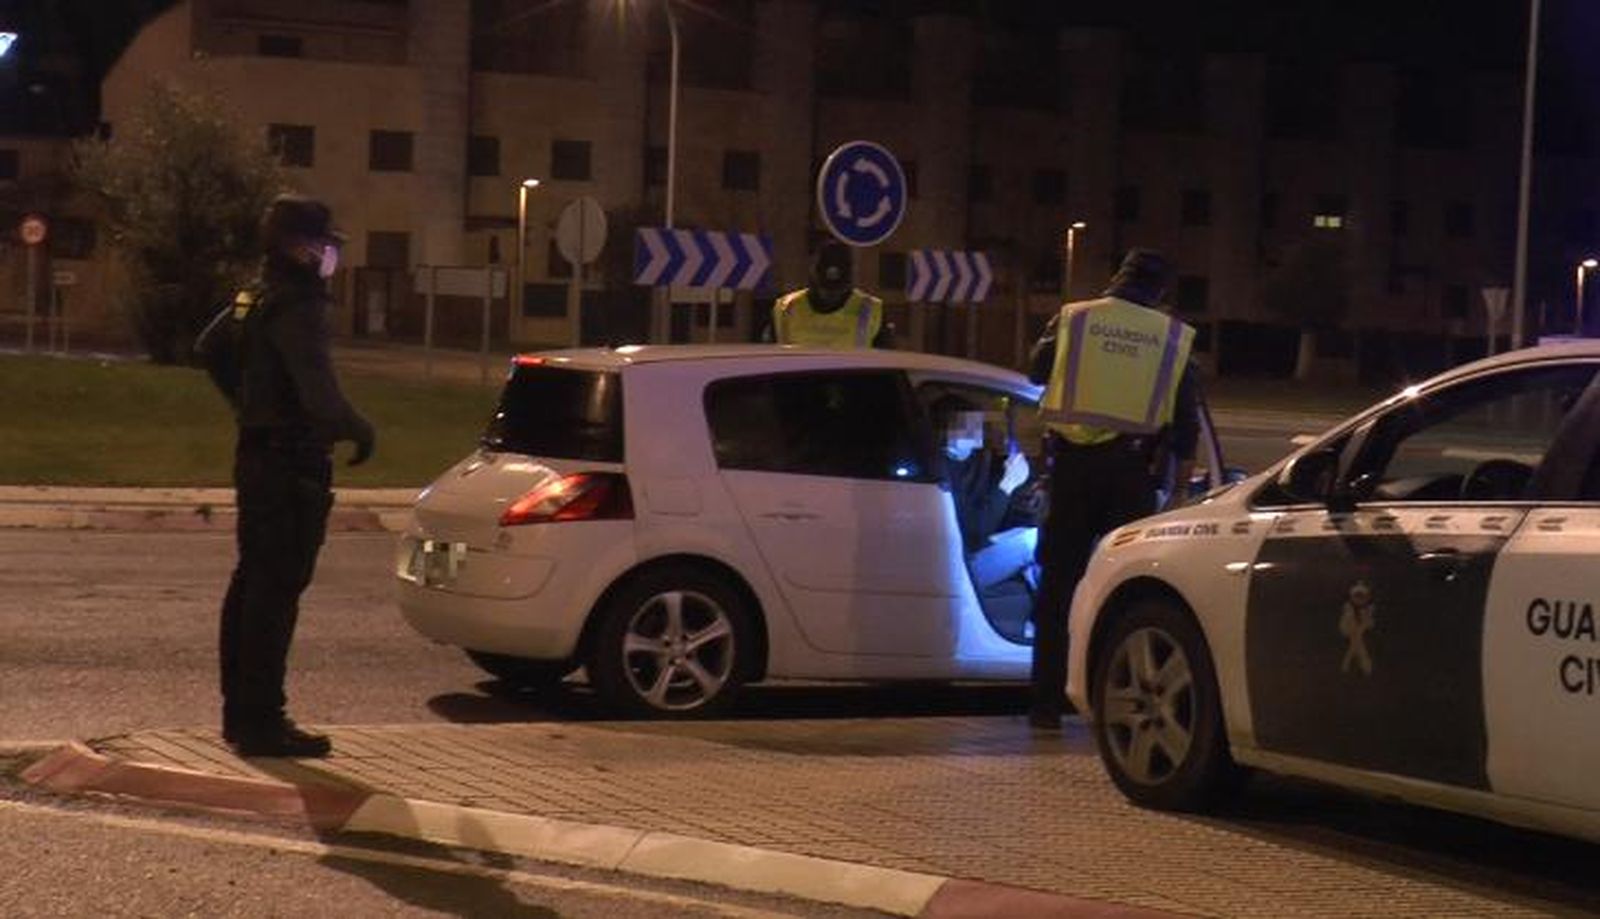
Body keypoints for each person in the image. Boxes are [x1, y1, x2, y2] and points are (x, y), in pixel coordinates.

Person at [203, 194, 375, 758]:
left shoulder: (256, 295)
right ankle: (263, 721)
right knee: (275, 591)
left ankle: (241, 714)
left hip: (256, 454)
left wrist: (248, 405)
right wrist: (359, 429)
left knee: (251, 582)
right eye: (325, 244)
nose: (331, 255)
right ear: (299, 247)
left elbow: (210, 349)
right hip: (290, 464)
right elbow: (321, 397)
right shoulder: (299, 305)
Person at [1025, 248, 1201, 730]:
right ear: (1161, 291)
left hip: (1072, 472)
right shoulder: (1171, 338)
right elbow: (1186, 428)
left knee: (1058, 587)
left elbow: (1036, 372)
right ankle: (1112, 705)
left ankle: (1045, 706)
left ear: (1115, 278)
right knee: (1125, 590)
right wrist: (1180, 493)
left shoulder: (1075, 319)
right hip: (1131, 478)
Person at [933, 394, 1036, 606]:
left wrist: (1019, 489)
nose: (976, 433)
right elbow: (975, 530)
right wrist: (1007, 485)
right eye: (967, 427)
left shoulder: (975, 461)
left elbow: (990, 513)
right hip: (960, 567)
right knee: (1031, 542)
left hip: (974, 550)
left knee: (1031, 534)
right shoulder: (940, 470)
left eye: (976, 426)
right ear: (945, 431)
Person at [769, 240, 889, 348]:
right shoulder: (785, 308)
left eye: (837, 290)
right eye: (825, 289)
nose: (831, 296)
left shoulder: (871, 311)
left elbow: (887, 365)